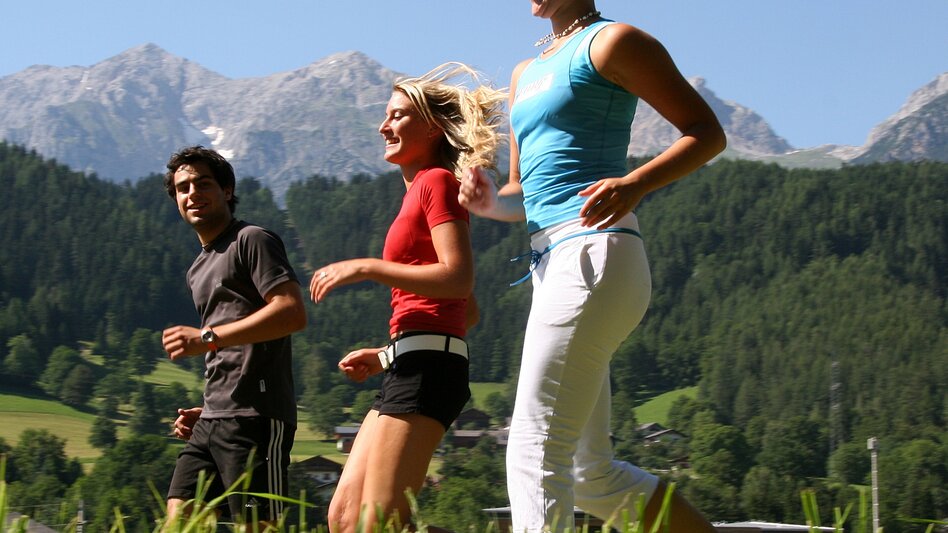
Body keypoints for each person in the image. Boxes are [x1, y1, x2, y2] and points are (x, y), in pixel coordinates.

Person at [458, 1, 727, 532]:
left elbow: (707, 133)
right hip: (551, 261)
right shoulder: (524, 73)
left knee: (534, 447)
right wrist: (488, 201)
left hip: (594, 253)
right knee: (589, 474)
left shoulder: (613, 42)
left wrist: (636, 183)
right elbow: (521, 193)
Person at [309, 63, 505, 533]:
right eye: (386, 116)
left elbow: (458, 280)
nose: (384, 126)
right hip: (410, 363)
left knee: (378, 522)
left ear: (433, 127)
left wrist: (367, 267)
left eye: (397, 115)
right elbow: (468, 310)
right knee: (343, 518)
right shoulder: (418, 190)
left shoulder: (436, 182)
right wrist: (386, 354)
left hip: (429, 371)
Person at [160, 146, 307, 529]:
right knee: (180, 520)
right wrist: (209, 408)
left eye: (203, 183)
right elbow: (231, 346)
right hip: (213, 417)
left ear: (227, 191)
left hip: (257, 416)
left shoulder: (252, 240)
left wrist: (206, 338)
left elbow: (291, 312)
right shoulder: (198, 268)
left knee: (258, 526)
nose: (193, 193)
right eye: (183, 188)